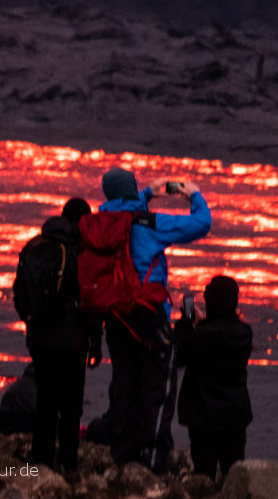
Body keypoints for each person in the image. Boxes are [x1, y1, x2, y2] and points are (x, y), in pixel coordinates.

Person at [90, 167, 211, 473]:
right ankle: (154, 460)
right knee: (158, 386)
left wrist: (147, 193)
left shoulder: (100, 224)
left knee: (124, 384)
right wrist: (194, 193)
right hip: (147, 315)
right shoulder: (148, 224)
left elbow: (125, 210)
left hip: (115, 317)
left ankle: (123, 456)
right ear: (132, 191)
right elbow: (201, 224)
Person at [13, 213, 101, 473]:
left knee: (45, 399)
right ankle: (68, 461)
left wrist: (30, 321)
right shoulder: (79, 252)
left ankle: (40, 459)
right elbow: (90, 298)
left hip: (39, 337)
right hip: (72, 341)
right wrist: (96, 341)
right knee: (71, 404)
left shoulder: (33, 246)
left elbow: (20, 290)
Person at [175, 275, 253, 480]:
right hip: (235, 414)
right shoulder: (244, 333)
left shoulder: (199, 336)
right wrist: (201, 326)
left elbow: (178, 356)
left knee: (204, 475)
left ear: (209, 302)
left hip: (202, 416)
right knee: (234, 475)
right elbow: (220, 334)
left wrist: (186, 324)